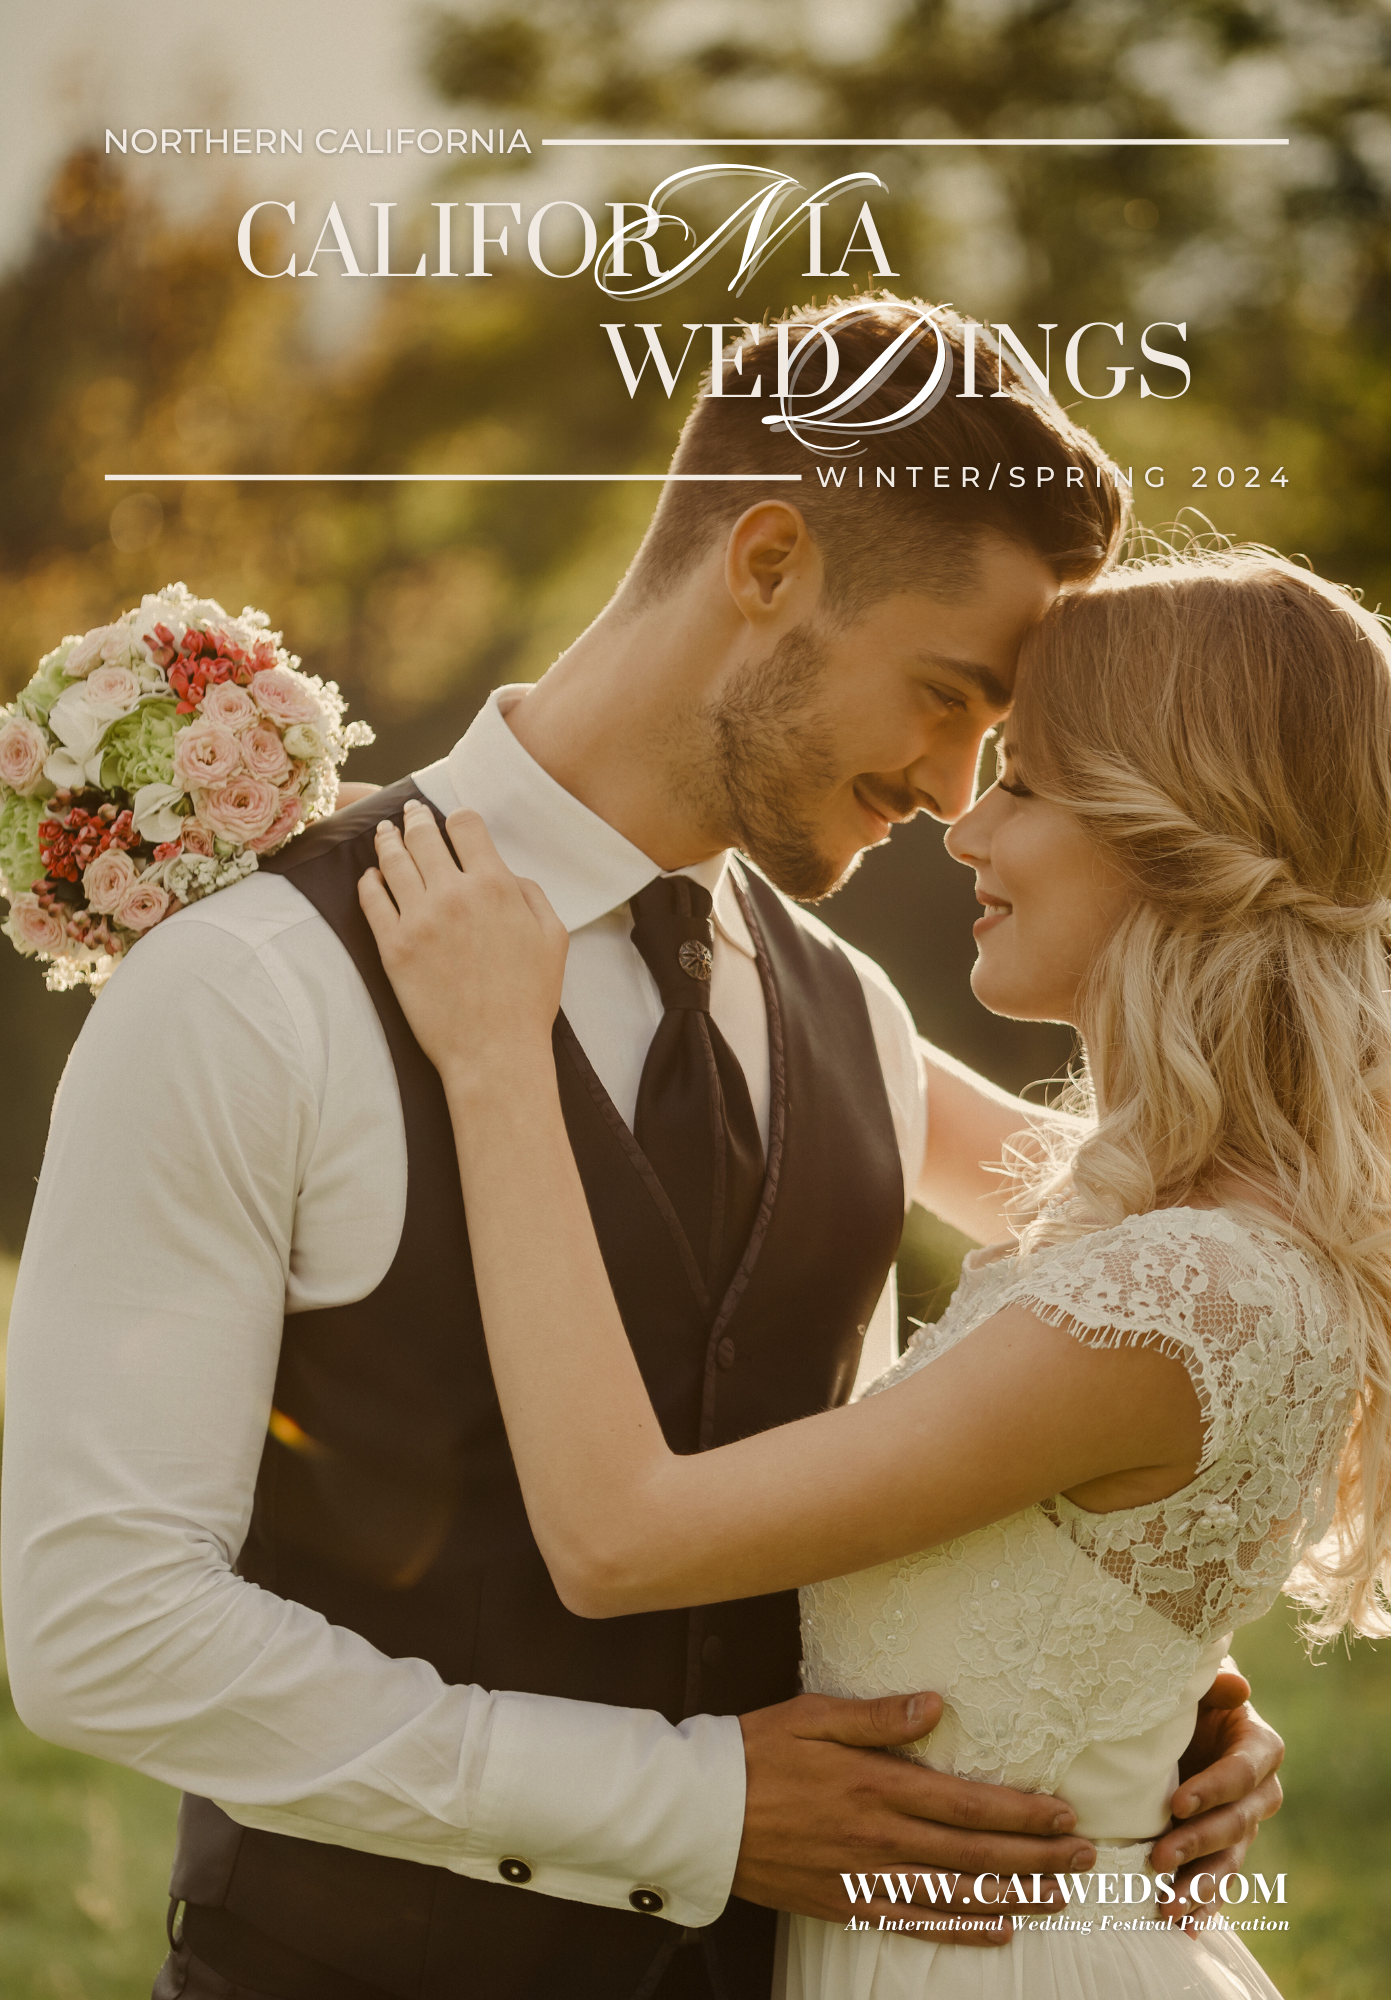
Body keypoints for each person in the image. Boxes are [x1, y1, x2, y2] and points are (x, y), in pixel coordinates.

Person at [1, 300, 1282, 2000]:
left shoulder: (852, 1021)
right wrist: (682, 1809)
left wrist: (1148, 1699)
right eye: (943, 693)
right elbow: (104, 1635)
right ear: (765, 561)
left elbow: (968, 1455)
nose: (955, 787)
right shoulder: (253, 990)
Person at [357, 545, 1388, 1998]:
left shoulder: (1178, 1290)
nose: (964, 825)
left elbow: (616, 1535)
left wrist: (492, 1057)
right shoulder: (1203, 1212)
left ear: (1175, 833)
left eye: (1022, 781)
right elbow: (824, 1043)